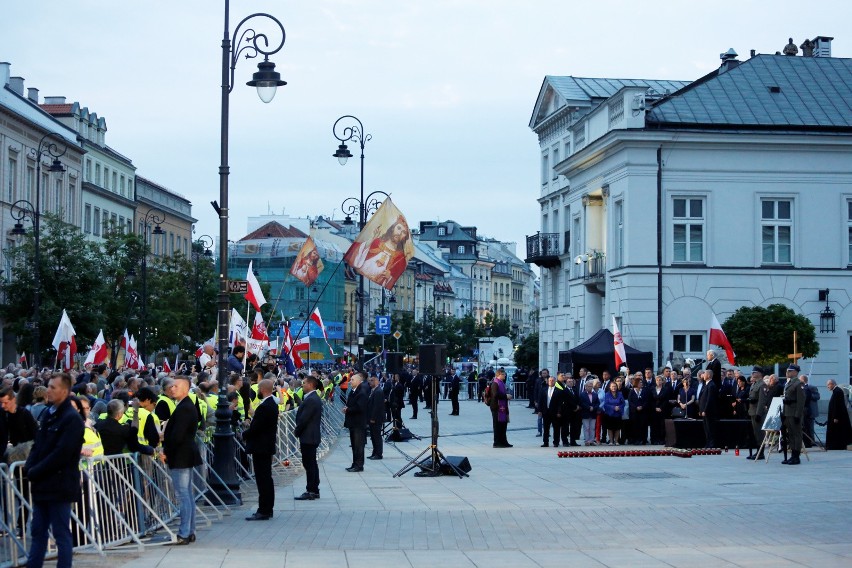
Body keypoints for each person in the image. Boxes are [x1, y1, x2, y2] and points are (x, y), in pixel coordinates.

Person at [24, 372, 84, 568]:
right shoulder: (49, 414)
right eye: (48, 386)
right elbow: (38, 445)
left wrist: (36, 469)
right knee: (38, 532)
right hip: (43, 484)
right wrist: (30, 466)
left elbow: (62, 453)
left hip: (59, 484)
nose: (48, 390)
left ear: (65, 391)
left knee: (61, 534)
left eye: (53, 387)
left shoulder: (71, 418)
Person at [162, 375, 202, 544]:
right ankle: (189, 531)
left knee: (183, 495)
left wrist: (166, 451)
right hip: (184, 453)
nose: (172, 388)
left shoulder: (185, 407)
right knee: (187, 495)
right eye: (171, 386)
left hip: (181, 455)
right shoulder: (184, 406)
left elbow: (177, 436)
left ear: (185, 388)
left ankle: (184, 532)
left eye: (176, 386)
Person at [243, 379, 278, 520]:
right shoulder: (271, 404)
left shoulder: (265, 406)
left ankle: (264, 509)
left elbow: (257, 427)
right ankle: (267, 508)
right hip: (266, 446)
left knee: (263, 479)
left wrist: (244, 434)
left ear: (263, 389)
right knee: (266, 479)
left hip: (261, 447)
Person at [345, 216, 410, 288]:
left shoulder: (400, 258)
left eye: (403, 232)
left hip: (377, 286)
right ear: (393, 228)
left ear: (405, 237)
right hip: (362, 279)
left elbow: (395, 281)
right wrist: (371, 239)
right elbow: (358, 256)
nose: (399, 233)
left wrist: (389, 277)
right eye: (398, 228)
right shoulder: (376, 242)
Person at [294, 376, 323, 500]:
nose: (302, 385)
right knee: (311, 463)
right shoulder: (312, 398)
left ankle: (311, 489)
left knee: (309, 464)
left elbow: (304, 419)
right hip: (310, 435)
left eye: (304, 383)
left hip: (309, 436)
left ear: (311, 385)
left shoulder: (311, 399)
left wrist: (297, 431)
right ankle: (314, 489)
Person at [781, 364, 805, 465]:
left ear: (795, 372)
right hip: (787, 412)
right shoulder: (789, 383)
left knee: (796, 435)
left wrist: (797, 415)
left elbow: (801, 401)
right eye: (787, 371)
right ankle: (792, 455)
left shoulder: (798, 383)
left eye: (789, 371)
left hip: (794, 412)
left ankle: (796, 456)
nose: (787, 373)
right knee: (790, 434)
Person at [343, 374, 368, 472]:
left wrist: (348, 409)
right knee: (354, 445)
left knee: (358, 446)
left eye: (352, 380)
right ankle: (354, 463)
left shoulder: (361, 392)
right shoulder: (353, 391)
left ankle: (359, 465)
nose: (350, 381)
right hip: (353, 423)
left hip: (358, 423)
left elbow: (360, 407)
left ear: (358, 381)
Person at [825, 379, 852, 450]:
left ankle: (836, 445)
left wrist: (836, 417)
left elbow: (837, 405)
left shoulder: (837, 391)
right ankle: (835, 445)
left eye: (828, 385)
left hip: (837, 417)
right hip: (836, 416)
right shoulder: (836, 391)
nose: (827, 386)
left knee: (837, 432)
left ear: (833, 384)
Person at [489, 369, 512, 448]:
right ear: (499, 375)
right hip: (496, 407)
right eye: (503, 374)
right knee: (497, 425)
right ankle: (497, 442)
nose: (505, 375)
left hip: (502, 407)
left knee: (503, 425)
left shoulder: (501, 382)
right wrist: (506, 396)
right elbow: (495, 394)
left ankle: (504, 441)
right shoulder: (495, 383)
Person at [537, 375, 562, 447]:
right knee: (546, 428)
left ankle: (556, 442)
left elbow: (560, 403)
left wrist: (559, 412)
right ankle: (545, 442)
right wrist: (539, 410)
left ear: (555, 381)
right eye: (550, 380)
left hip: (555, 412)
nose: (551, 382)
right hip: (546, 412)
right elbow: (540, 400)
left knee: (556, 428)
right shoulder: (543, 389)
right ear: (548, 381)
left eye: (552, 380)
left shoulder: (559, 390)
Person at [698, 370, 719, 448]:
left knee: (710, 428)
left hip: (709, 411)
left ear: (709, 375)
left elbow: (710, 399)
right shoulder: (706, 385)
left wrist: (705, 410)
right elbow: (702, 398)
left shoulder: (711, 385)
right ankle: (708, 443)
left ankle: (711, 444)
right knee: (706, 428)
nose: (703, 375)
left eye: (704, 374)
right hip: (703, 411)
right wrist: (700, 410)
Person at [650, 375, 673, 445]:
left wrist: (661, 408)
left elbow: (666, 400)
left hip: (663, 410)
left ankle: (661, 439)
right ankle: (654, 440)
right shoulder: (652, 389)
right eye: (657, 380)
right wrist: (655, 408)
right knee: (654, 425)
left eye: (660, 380)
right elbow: (650, 400)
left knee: (662, 425)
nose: (659, 382)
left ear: (662, 381)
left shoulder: (666, 389)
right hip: (654, 410)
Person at [367, 375, 385, 460]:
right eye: (370, 380)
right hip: (372, 417)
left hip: (376, 419)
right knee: (373, 436)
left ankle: (378, 454)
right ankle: (374, 452)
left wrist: (373, 418)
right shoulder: (373, 391)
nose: (370, 382)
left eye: (372, 380)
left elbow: (376, 407)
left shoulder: (378, 391)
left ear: (376, 381)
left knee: (377, 436)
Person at [602, 381, 624, 445]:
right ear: (610, 387)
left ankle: (616, 441)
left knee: (617, 428)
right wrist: (613, 407)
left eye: (615, 386)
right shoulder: (607, 394)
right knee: (610, 428)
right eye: (612, 386)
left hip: (618, 413)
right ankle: (611, 441)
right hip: (610, 414)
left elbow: (623, 403)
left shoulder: (620, 394)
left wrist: (619, 407)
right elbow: (605, 404)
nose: (614, 388)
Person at [800, 374, 820, 447]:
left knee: (811, 427)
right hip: (804, 411)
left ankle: (812, 441)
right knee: (805, 427)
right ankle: (806, 441)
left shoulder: (812, 387)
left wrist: (809, 395)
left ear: (803, 380)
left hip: (810, 410)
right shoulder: (801, 388)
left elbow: (817, 396)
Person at [580, 381, 600, 446]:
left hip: (593, 413)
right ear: (585, 387)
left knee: (592, 428)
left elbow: (598, 403)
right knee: (586, 428)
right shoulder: (582, 394)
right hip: (585, 413)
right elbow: (582, 403)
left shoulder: (595, 394)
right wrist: (589, 407)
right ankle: (587, 441)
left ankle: (591, 441)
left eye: (591, 386)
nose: (590, 388)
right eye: (588, 386)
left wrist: (593, 408)